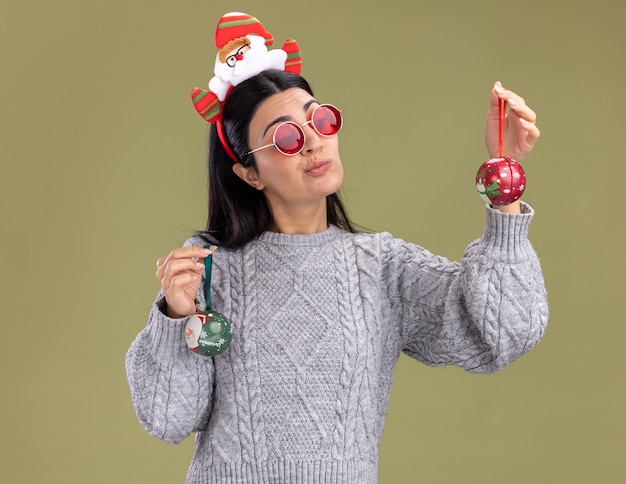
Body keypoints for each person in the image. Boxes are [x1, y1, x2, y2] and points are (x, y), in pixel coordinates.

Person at [125, 12, 548, 484]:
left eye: (319, 118)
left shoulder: (383, 268)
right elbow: (167, 418)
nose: (313, 141)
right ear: (249, 173)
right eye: (285, 137)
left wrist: (503, 175)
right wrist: (174, 319)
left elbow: (503, 331)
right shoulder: (208, 267)